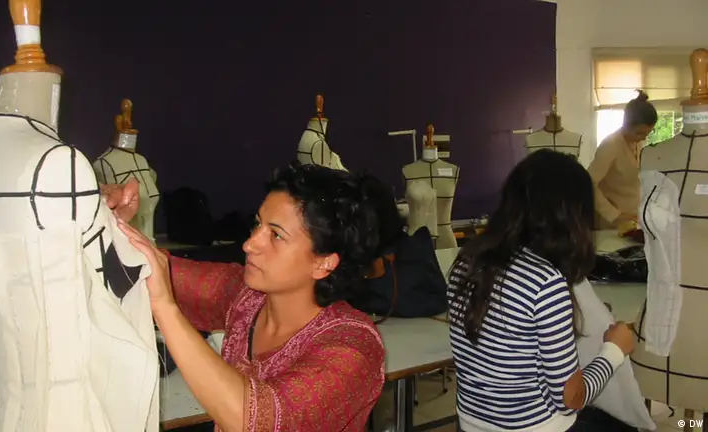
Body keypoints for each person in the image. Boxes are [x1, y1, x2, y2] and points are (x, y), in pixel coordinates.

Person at [105, 165, 386, 431]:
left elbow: (260, 422)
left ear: (323, 263)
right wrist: (109, 221)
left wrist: (165, 308)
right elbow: (153, 270)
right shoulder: (247, 299)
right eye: (257, 224)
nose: (250, 244)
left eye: (276, 235)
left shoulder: (353, 347)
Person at [447, 150, 636, 432]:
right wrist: (615, 350)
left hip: (472, 424)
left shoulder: (467, 262)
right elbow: (570, 400)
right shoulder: (545, 281)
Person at [588, 90, 658, 229]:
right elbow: (588, 183)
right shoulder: (610, 145)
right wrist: (614, 215)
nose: (643, 137)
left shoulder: (638, 143)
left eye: (648, 133)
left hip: (634, 219)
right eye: (639, 133)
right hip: (610, 223)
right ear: (626, 124)